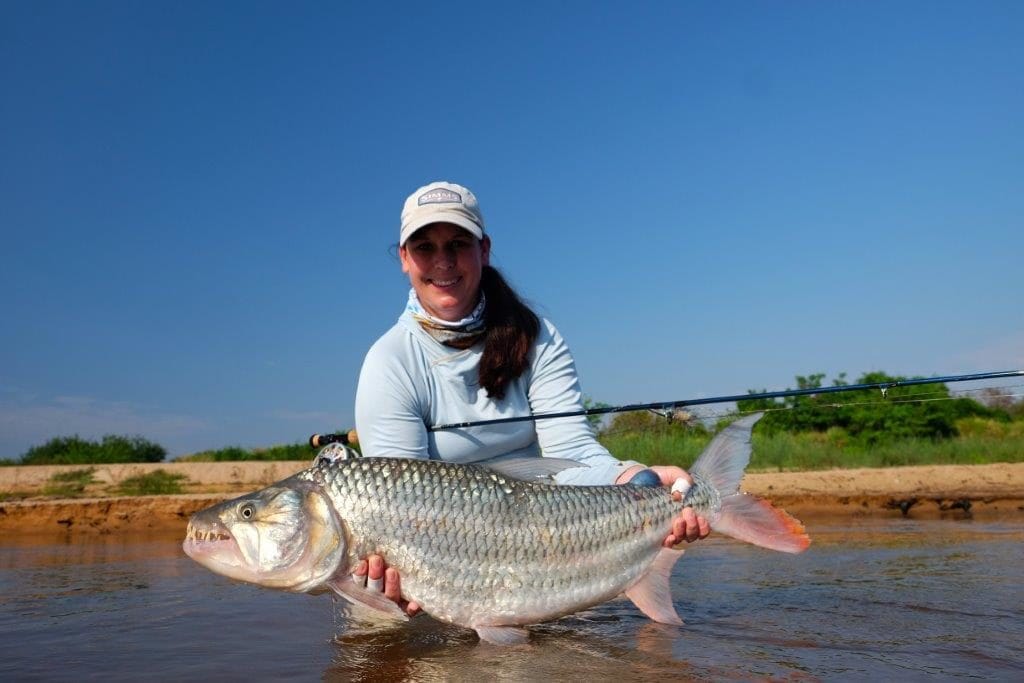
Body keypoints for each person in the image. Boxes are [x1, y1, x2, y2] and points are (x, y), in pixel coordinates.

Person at [352, 181, 710, 615]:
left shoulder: (538, 336)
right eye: (425, 247)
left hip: (535, 547)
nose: (443, 262)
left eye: (458, 244)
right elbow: (397, 506)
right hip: (432, 569)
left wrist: (637, 480)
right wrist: (397, 574)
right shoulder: (389, 360)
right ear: (405, 259)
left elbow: (571, 453)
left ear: (483, 250)